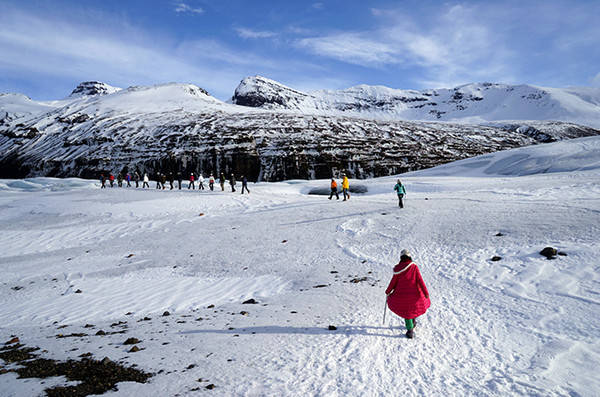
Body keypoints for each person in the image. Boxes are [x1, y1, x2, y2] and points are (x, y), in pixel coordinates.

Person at [385, 249, 430, 339]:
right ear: (409, 257)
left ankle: (410, 331)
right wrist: (425, 292)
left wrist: (388, 291)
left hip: (401, 295)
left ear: (401, 258)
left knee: (407, 313)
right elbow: (420, 280)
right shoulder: (414, 267)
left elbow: (393, 282)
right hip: (415, 294)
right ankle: (413, 322)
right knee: (413, 309)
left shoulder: (398, 269)